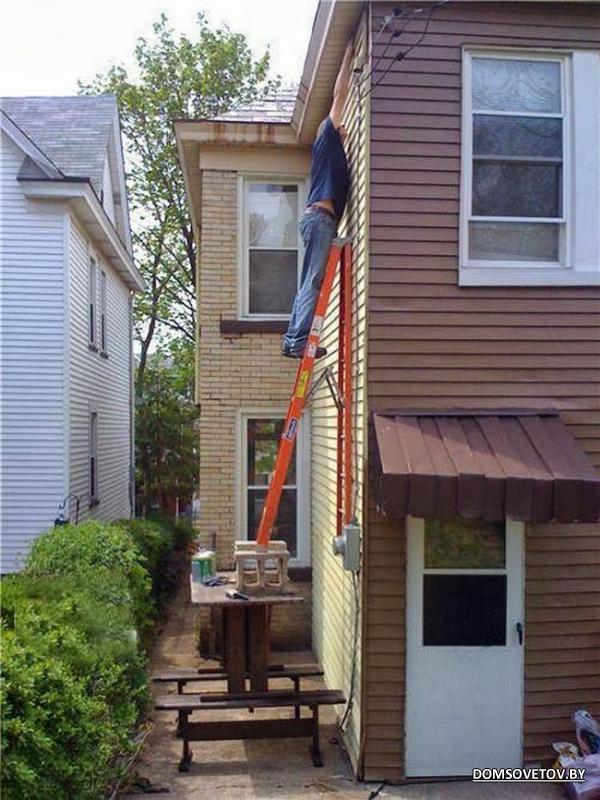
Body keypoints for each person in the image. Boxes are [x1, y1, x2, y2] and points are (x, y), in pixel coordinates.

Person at [282, 40, 354, 360]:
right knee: (313, 281)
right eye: (340, 128)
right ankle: (298, 340)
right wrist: (348, 53)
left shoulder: (329, 150)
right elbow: (340, 96)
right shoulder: (326, 132)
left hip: (317, 218)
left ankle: (292, 339)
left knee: (308, 281)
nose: (343, 128)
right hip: (321, 220)